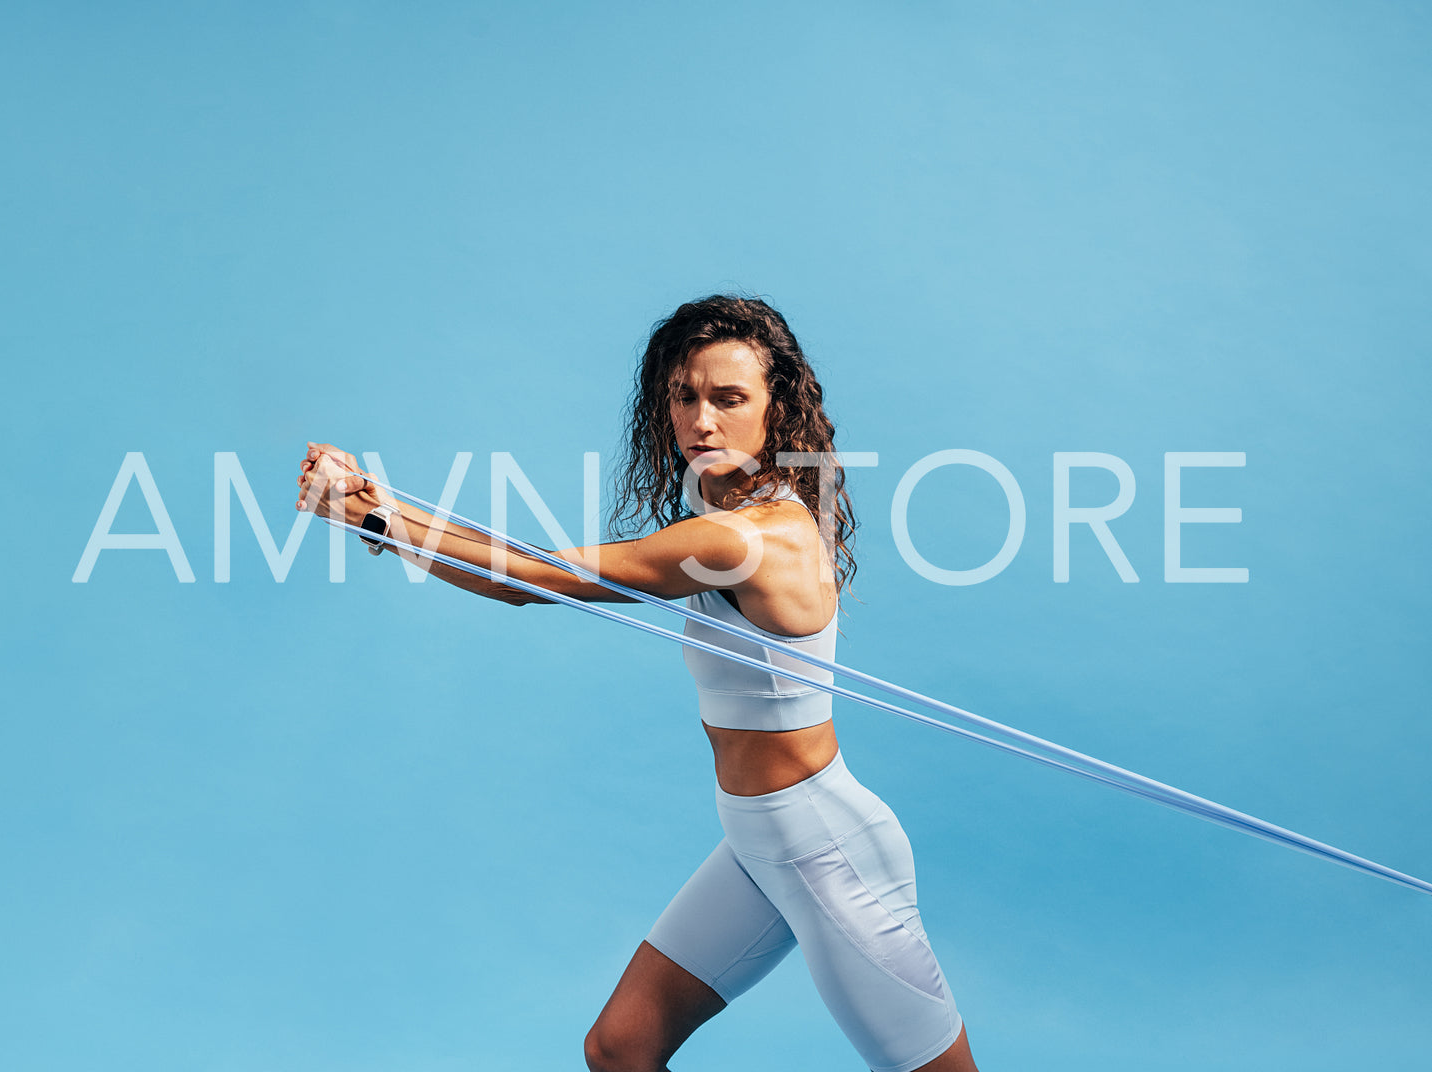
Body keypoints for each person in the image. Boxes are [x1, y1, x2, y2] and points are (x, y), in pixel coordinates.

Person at [295, 295, 978, 1072]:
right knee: (622, 1047)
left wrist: (380, 520)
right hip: (760, 843)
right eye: (684, 397)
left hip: (826, 851)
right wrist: (382, 511)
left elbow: (536, 579)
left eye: (728, 399)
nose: (702, 422)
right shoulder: (733, 512)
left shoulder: (744, 538)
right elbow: (528, 560)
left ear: (774, 407)